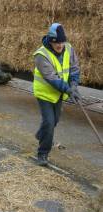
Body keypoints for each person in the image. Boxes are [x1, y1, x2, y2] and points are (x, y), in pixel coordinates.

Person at [33, 23, 81, 166]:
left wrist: (73, 85)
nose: (60, 45)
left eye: (61, 41)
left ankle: (40, 134)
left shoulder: (69, 48)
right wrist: (68, 90)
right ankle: (42, 154)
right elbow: (51, 77)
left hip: (59, 94)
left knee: (54, 121)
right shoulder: (41, 55)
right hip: (45, 93)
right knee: (49, 122)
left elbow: (74, 68)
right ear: (50, 40)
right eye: (56, 42)